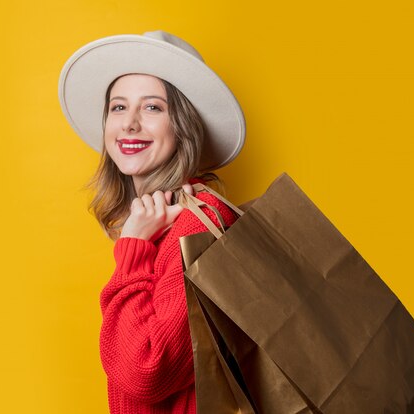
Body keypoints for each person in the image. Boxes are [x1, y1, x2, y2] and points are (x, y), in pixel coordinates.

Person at [58, 31, 246, 413]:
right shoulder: (156, 218)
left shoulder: (199, 222)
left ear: (183, 125)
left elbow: (146, 371)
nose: (129, 124)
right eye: (118, 107)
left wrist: (133, 252)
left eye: (153, 108)